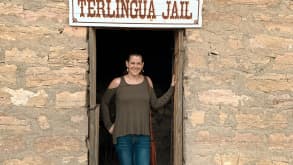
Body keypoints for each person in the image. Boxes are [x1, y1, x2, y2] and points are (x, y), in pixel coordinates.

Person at [101, 53, 175, 165]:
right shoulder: (117, 82)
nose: (135, 66)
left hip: (143, 137)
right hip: (122, 137)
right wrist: (109, 126)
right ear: (127, 64)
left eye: (138, 63)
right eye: (132, 63)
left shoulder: (147, 81)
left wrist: (172, 88)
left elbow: (155, 103)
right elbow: (104, 102)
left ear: (142, 65)